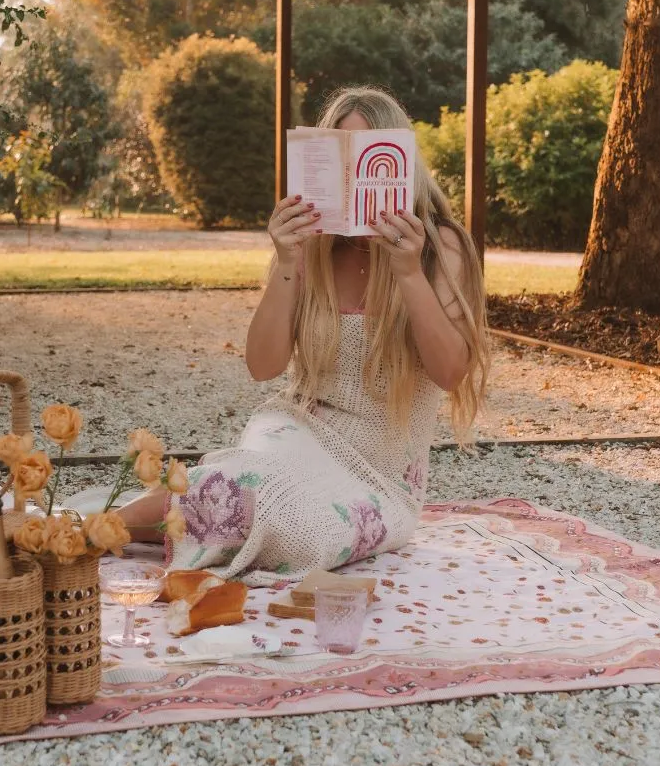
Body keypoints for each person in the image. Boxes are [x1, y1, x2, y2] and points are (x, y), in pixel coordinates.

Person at [118, 86, 490, 584]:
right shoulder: (311, 248)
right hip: (295, 431)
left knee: (305, 534)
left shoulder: (439, 247)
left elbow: (449, 373)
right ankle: (100, 527)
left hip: (381, 475)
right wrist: (287, 263)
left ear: (398, 166)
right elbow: (262, 366)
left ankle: (186, 514)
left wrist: (407, 274)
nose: (353, 178)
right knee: (252, 482)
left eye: (366, 160)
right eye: (338, 161)